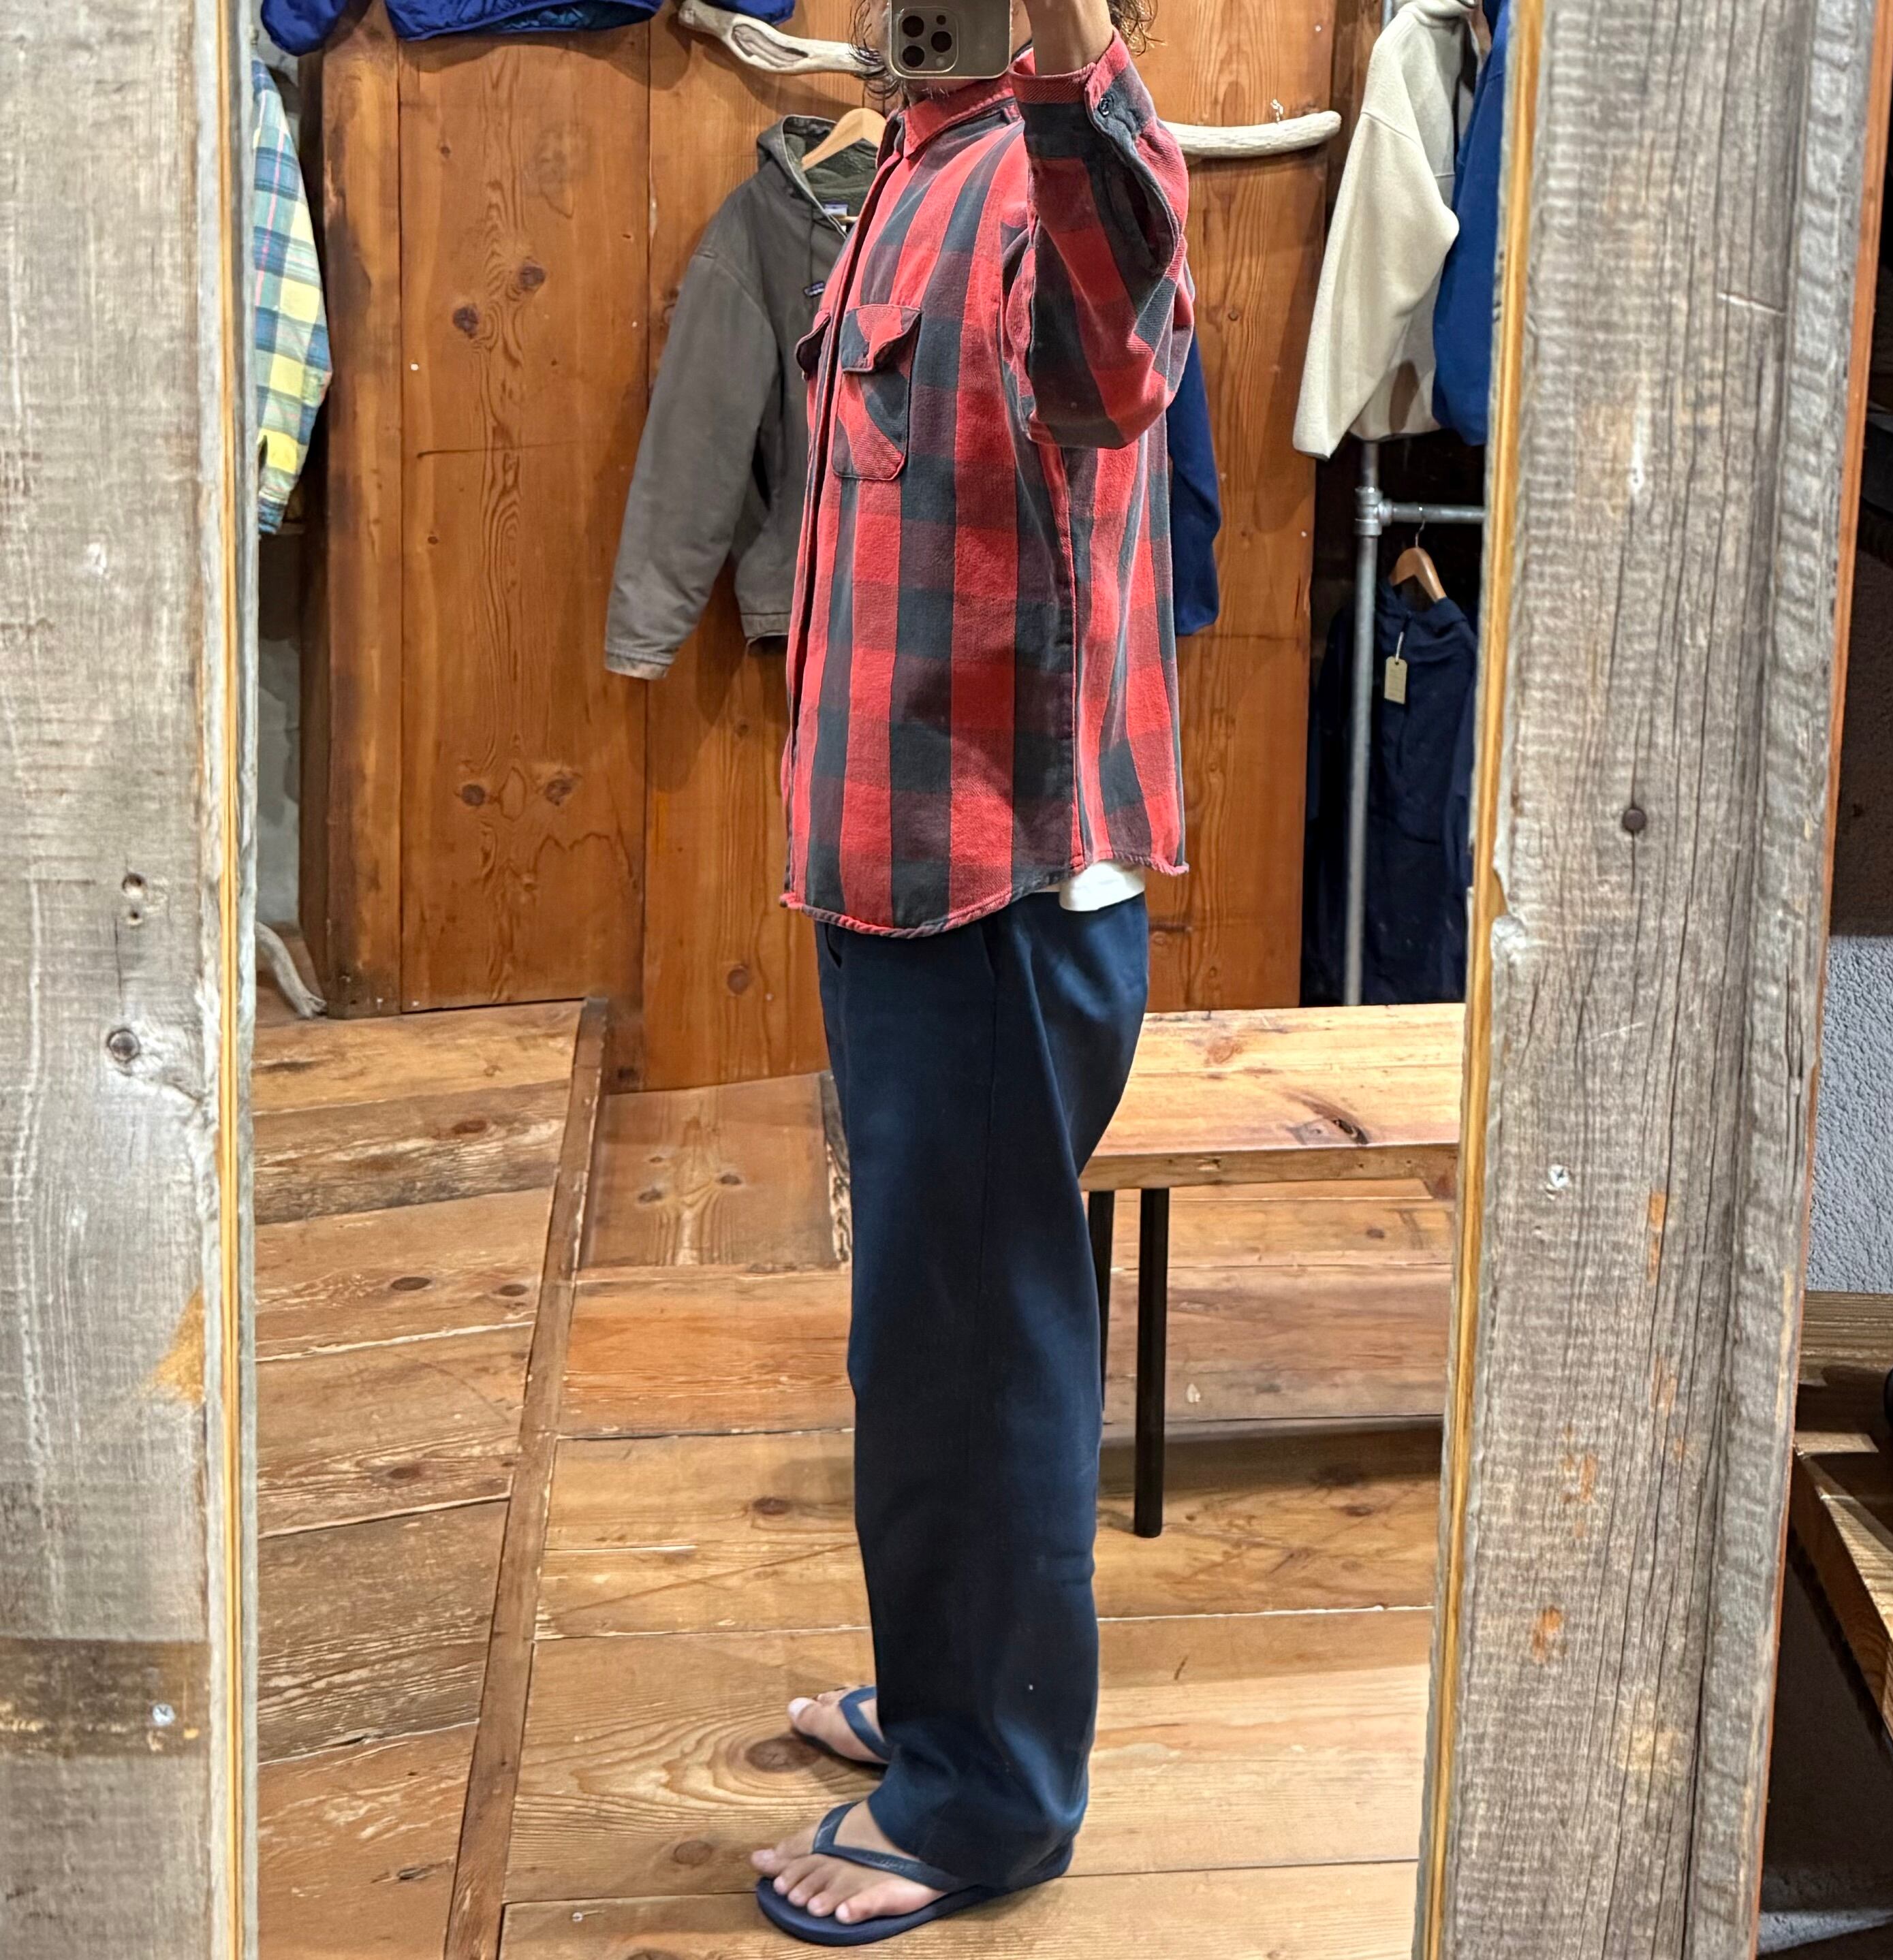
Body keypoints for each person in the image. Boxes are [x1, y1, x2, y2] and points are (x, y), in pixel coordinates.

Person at [750, 0, 1192, 1940]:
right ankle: (945, 1702)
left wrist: (1069, 56)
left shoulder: (1057, 160)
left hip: (998, 890)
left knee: (982, 1347)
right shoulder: (919, 156)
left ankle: (986, 1800)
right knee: (922, 1335)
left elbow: (1112, 361)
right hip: (902, 869)